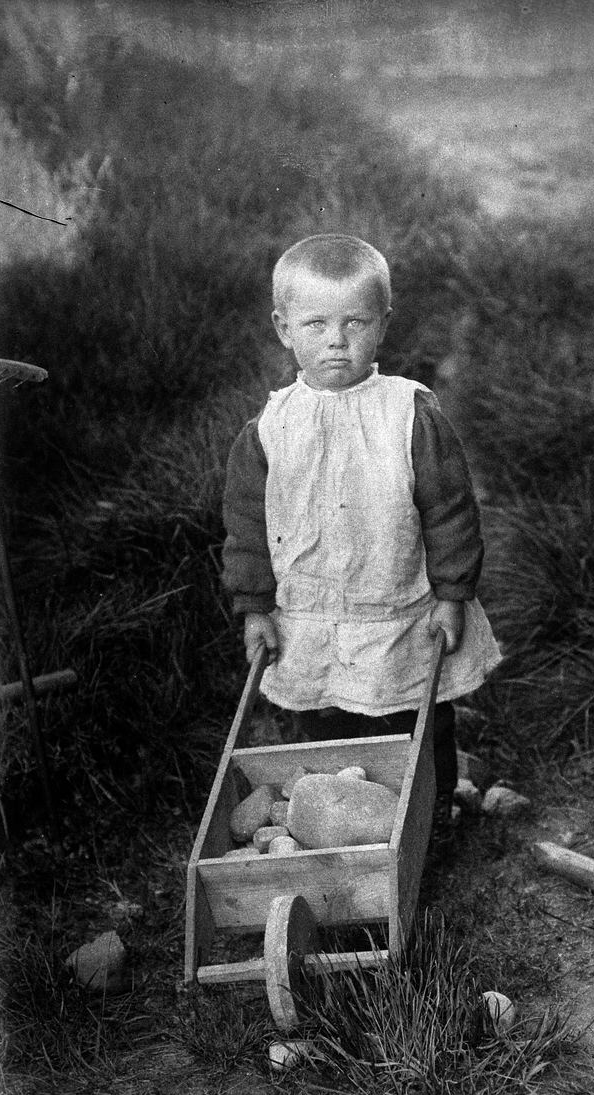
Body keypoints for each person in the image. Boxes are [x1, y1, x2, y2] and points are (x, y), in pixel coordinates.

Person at [221, 233, 501, 811]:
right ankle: (348, 818)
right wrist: (254, 607)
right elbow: (248, 529)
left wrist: (451, 594)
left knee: (419, 710)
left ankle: (436, 806)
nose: (337, 342)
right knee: (328, 720)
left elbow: (449, 511)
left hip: (398, 605)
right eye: (316, 325)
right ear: (283, 329)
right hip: (310, 612)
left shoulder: (408, 413)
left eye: (355, 323)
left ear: (383, 324)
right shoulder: (270, 430)